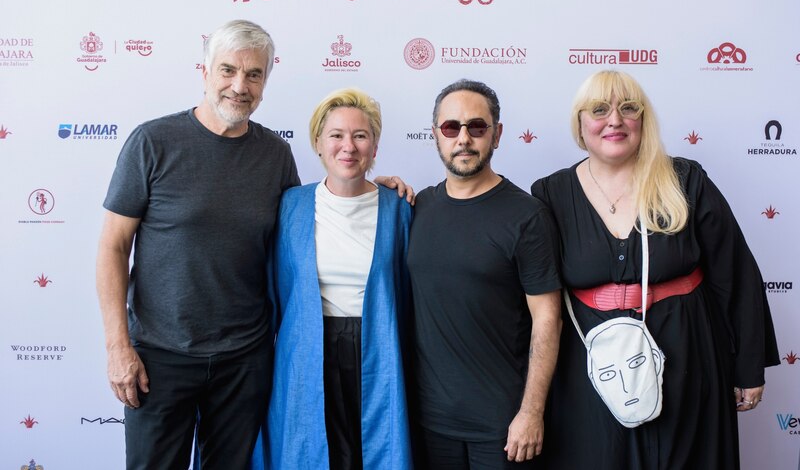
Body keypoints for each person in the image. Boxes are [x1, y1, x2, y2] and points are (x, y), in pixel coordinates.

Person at [96, 20, 412, 469]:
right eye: (227, 70)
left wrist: (375, 187)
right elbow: (112, 247)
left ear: (266, 81)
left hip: (244, 360)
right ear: (204, 72)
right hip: (162, 357)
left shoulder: (274, 155)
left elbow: (313, 219)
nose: (239, 86)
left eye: (254, 75)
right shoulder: (153, 142)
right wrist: (117, 347)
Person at [531, 70, 779, 469]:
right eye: (599, 110)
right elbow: (536, 293)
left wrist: (748, 367)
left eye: (628, 108)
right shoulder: (550, 193)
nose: (614, 120)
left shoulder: (685, 179)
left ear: (643, 120)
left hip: (689, 358)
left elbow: (736, 275)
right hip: (591, 370)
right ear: (580, 123)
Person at [407, 79, 562, 469]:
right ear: (435, 135)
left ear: (497, 134)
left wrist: (531, 413)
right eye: (451, 128)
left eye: (477, 127)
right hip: (428, 422)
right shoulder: (416, 207)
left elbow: (548, 319)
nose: (463, 139)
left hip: (502, 424)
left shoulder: (527, 216)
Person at [261, 88, 413, 470]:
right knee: (312, 450)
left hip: (377, 348)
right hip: (307, 350)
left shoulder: (400, 208)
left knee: (371, 452)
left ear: (374, 146)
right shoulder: (290, 205)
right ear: (317, 142)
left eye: (360, 135)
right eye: (336, 135)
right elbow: (273, 290)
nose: (348, 146)